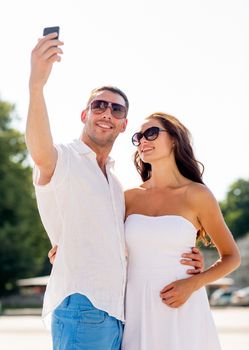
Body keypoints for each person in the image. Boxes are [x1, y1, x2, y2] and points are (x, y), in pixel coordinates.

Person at [26, 32, 204, 350]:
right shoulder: (65, 157)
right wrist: (36, 85)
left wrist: (185, 260)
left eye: (117, 110)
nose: (107, 113)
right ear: (85, 114)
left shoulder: (116, 182)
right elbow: (40, 153)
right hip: (82, 306)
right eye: (99, 105)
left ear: (123, 124)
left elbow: (125, 242)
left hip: (117, 313)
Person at [121, 112, 241, 350]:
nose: (143, 140)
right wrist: (63, 247)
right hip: (135, 307)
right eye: (138, 137)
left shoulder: (197, 195)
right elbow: (101, 239)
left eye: (151, 133)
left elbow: (231, 257)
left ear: (174, 139)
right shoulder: (128, 197)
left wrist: (194, 284)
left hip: (183, 306)